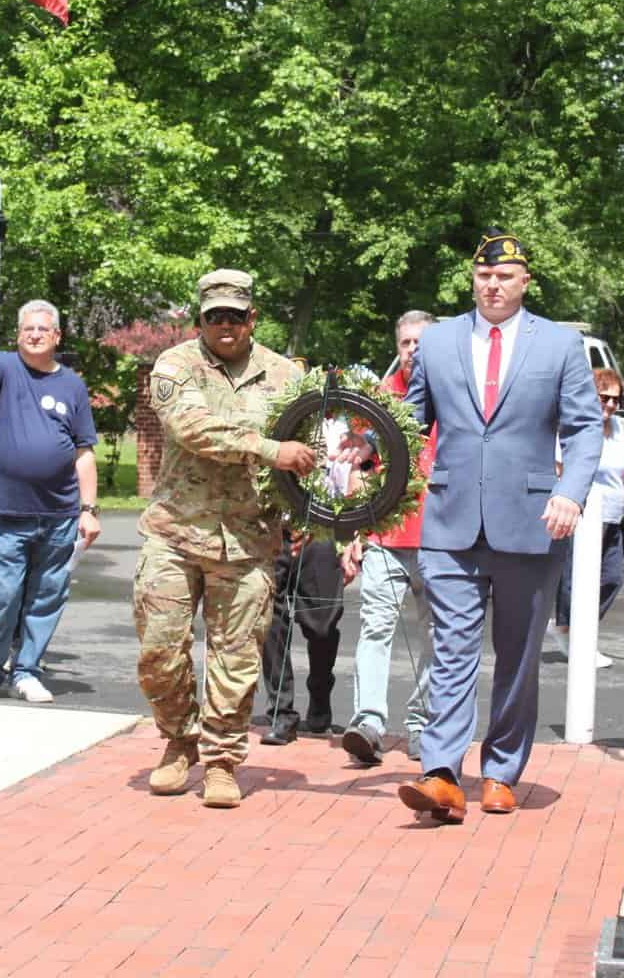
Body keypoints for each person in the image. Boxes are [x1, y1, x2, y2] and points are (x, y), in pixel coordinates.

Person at [394, 229, 600, 822]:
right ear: (472, 279)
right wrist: (370, 455)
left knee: (518, 655)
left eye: (505, 276)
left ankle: (503, 770)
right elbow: (410, 424)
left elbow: (585, 429)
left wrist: (570, 492)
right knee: (451, 649)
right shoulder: (438, 343)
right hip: (451, 521)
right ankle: (440, 773)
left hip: (533, 524)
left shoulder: (560, 345)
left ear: (524, 281)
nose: (493, 285)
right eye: (484, 276)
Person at [133, 269, 317, 808]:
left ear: (252, 318)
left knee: (236, 659)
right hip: (174, 532)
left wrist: (312, 508)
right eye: (215, 317)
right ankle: (177, 739)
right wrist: (268, 448)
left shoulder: (286, 375)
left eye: (236, 316)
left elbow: (310, 449)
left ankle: (220, 760)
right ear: (200, 321)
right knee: (158, 651)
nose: (226, 325)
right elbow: (191, 428)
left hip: (249, 537)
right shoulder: (176, 366)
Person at [0, 299, 99, 703]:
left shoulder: (72, 384)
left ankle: (27, 670)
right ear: (18, 335)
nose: (34, 335)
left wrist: (88, 509)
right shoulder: (3, 366)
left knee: (46, 596)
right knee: (4, 595)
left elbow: (83, 451)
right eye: (27, 329)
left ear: (56, 336)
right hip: (10, 510)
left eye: (42, 329)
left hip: (59, 512)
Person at [338, 310, 438, 766]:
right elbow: (355, 471)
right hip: (385, 538)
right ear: (396, 347)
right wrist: (352, 533)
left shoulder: (452, 395)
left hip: (441, 541)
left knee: (436, 637)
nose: (413, 351)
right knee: (375, 628)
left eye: (421, 343)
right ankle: (369, 724)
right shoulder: (377, 402)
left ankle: (424, 725)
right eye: (406, 343)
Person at [551, 365, 624, 667]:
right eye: (603, 397)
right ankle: (573, 637)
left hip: (611, 516)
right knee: (574, 582)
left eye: (615, 400)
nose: (609, 404)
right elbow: (560, 469)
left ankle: (571, 628)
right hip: (582, 517)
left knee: (612, 579)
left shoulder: (619, 428)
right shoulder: (574, 426)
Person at [258, 529, 343, 743]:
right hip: (271, 526)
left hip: (319, 526)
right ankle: (281, 713)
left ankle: (320, 693)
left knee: (323, 625)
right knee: (269, 615)